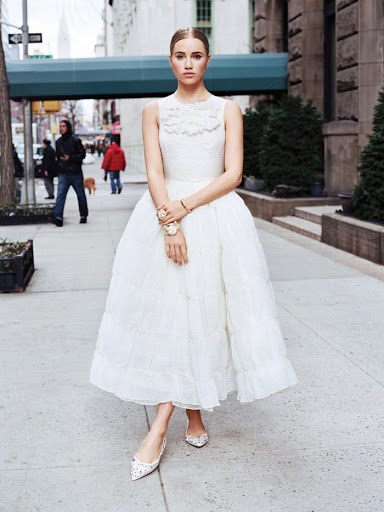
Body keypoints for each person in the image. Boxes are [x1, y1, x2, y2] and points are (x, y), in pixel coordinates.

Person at [89, 27, 298, 481]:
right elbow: (155, 169)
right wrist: (169, 223)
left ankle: (178, 417)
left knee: (205, 314)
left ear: (208, 61)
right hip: (162, 218)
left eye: (196, 55)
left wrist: (185, 209)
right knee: (171, 315)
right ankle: (176, 420)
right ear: (170, 61)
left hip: (216, 218)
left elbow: (234, 173)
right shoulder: (153, 110)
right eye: (180, 55)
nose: (188, 63)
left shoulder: (228, 110)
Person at [53, 120, 88, 227]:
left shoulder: (75, 140)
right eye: (60, 126)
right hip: (63, 173)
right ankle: (58, 217)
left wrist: (70, 158)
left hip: (75, 173)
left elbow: (82, 155)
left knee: (81, 195)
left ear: (68, 127)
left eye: (63, 126)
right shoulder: (58, 142)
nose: (61, 128)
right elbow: (58, 157)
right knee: (60, 196)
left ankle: (83, 215)